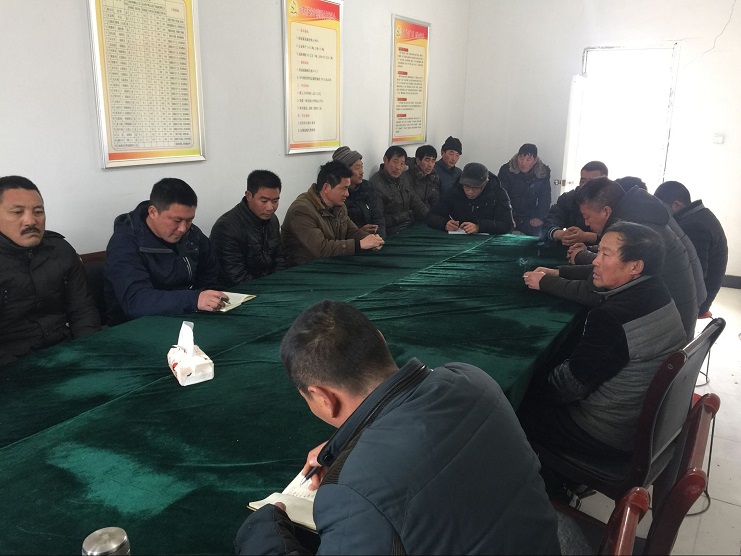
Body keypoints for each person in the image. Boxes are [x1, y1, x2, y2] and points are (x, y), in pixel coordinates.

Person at [235, 300, 560, 555]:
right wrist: (347, 449)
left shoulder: (352, 493)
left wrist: (263, 534)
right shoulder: (471, 377)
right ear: (380, 339)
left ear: (323, 398)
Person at [520, 222, 686, 460]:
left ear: (635, 267)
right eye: (598, 252)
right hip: (642, 419)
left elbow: (568, 388)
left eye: (605, 254)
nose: (595, 261)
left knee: (512, 406)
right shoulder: (658, 290)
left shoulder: (611, 317)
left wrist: (527, 382)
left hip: (603, 432)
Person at [529, 177, 699, 341]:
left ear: (606, 212)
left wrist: (544, 282)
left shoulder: (635, 229)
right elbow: (606, 270)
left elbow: (593, 292)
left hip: (663, 334)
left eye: (587, 217)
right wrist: (559, 272)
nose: (586, 224)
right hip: (674, 317)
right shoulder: (639, 211)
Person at [0, 176, 100, 366]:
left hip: (66, 351)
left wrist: (91, 352)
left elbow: (83, 310)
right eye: (17, 212)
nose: (31, 221)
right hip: (11, 366)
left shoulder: (60, 250)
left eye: (38, 212)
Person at [104, 178, 225, 325]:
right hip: (137, 325)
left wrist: (208, 299)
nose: (183, 228)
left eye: (189, 220)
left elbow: (211, 276)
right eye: (176, 220)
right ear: (153, 212)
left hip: (188, 316)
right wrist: (194, 299)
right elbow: (136, 301)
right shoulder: (124, 244)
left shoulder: (192, 234)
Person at [282, 161, 384, 266]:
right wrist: (360, 244)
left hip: (331, 263)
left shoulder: (339, 205)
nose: (347, 194)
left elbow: (352, 232)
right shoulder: (302, 210)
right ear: (326, 187)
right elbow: (321, 249)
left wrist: (371, 239)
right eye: (344, 188)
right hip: (305, 268)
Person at [655, 180, 728, 318]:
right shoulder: (700, 215)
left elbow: (695, 274)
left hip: (698, 301)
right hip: (703, 291)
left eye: (662, 208)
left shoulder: (694, 226)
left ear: (676, 205)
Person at [210, 170, 287, 287]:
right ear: (249, 196)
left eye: (275, 201)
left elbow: (280, 259)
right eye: (264, 201)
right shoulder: (226, 227)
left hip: (269, 285)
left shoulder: (272, 220)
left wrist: (279, 283)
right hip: (238, 291)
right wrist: (269, 289)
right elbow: (236, 277)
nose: (270, 207)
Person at [426, 162, 514, 235]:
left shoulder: (498, 193)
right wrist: (444, 223)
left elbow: (507, 225)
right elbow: (431, 216)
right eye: (466, 186)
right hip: (459, 238)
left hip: (488, 241)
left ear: (485, 183)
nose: (470, 191)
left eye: (475, 187)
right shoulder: (455, 190)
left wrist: (479, 227)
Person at [542, 160, 608, 245]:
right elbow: (549, 222)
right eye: (583, 181)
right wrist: (560, 234)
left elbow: (618, 235)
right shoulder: (568, 198)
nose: (586, 186)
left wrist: (586, 237)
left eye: (591, 182)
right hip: (570, 247)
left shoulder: (613, 200)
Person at [369, 146, 429, 236]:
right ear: (385, 160)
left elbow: (417, 203)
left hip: (410, 227)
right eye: (395, 161)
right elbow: (378, 219)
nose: (398, 167)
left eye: (402, 164)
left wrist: (433, 219)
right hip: (393, 232)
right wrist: (381, 239)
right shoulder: (375, 184)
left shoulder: (403, 178)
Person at [498, 143, 552, 236]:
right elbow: (501, 196)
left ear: (535, 160)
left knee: (540, 232)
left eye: (528, 159)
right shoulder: (506, 170)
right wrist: (507, 217)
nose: (523, 163)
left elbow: (545, 198)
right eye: (521, 158)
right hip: (509, 213)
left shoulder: (542, 173)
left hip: (529, 216)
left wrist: (540, 217)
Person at [331, 146, 385, 236]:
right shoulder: (338, 194)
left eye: (361, 166)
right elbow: (339, 230)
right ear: (345, 171)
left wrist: (379, 237)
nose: (362, 172)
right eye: (357, 168)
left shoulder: (368, 186)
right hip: (354, 240)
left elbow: (379, 217)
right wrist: (359, 232)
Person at [404, 144, 441, 209]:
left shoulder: (433, 178)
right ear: (418, 161)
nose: (430, 165)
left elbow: (435, 201)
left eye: (433, 161)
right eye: (427, 160)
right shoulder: (407, 177)